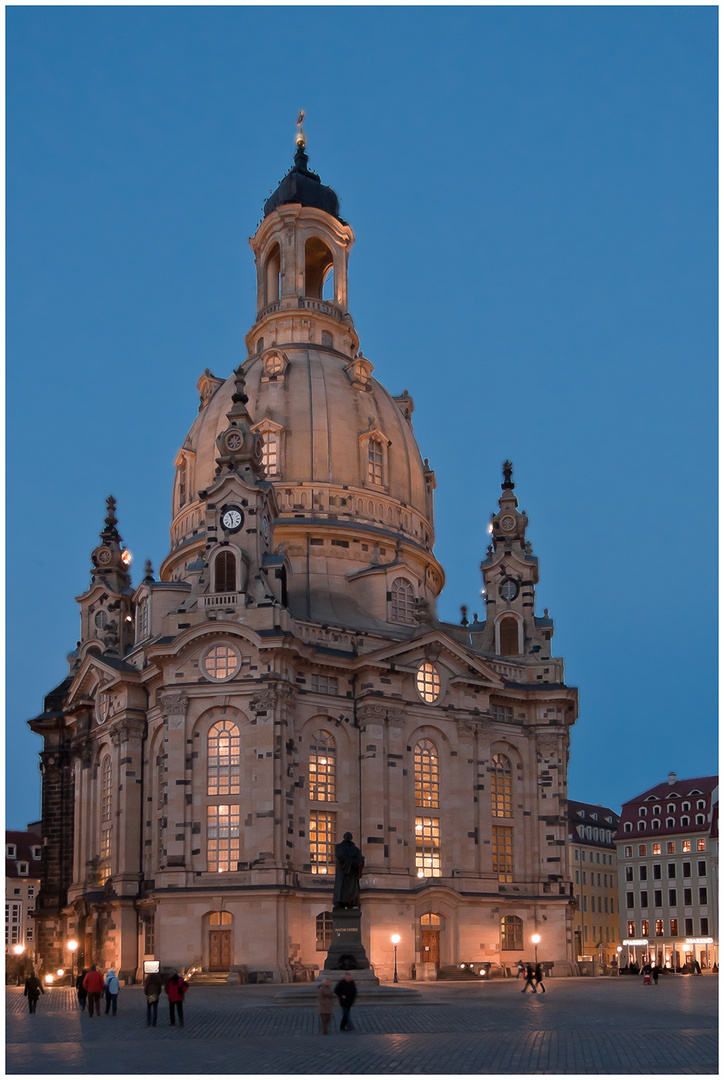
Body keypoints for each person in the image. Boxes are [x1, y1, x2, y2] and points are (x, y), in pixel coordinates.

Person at [333, 833, 365, 909]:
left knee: (350, 889)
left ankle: (351, 902)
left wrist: (358, 862)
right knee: (342, 888)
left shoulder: (355, 849)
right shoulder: (339, 847)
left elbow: (360, 859)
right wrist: (353, 862)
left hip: (351, 873)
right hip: (344, 872)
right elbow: (341, 857)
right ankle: (341, 902)